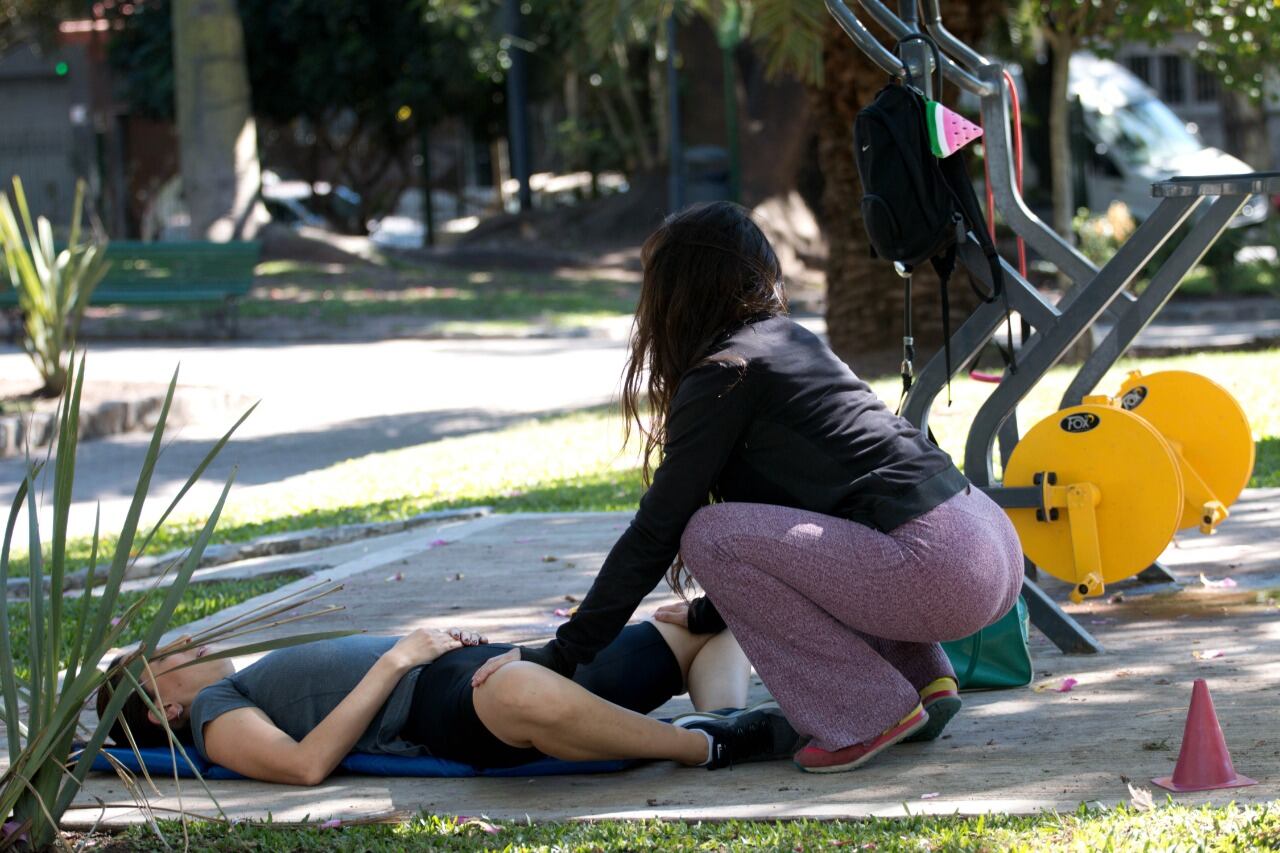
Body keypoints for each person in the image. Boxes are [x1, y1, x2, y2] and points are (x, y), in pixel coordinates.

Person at [471, 201, 1024, 774]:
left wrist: (563, 654)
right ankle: (922, 677)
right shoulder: (788, 341)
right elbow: (812, 537)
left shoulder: (724, 372)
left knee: (708, 534)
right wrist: (713, 613)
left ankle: (866, 712)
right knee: (770, 531)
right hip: (985, 542)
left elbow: (658, 529)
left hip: (940, 570)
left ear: (677, 293)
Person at [95, 606, 799, 786]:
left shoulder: (232, 682)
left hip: (476, 662)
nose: (180, 642)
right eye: (162, 658)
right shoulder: (217, 712)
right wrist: (401, 655)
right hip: (436, 702)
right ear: (164, 709)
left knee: (706, 623)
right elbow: (306, 764)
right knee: (521, 691)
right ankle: (701, 744)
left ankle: (727, 718)